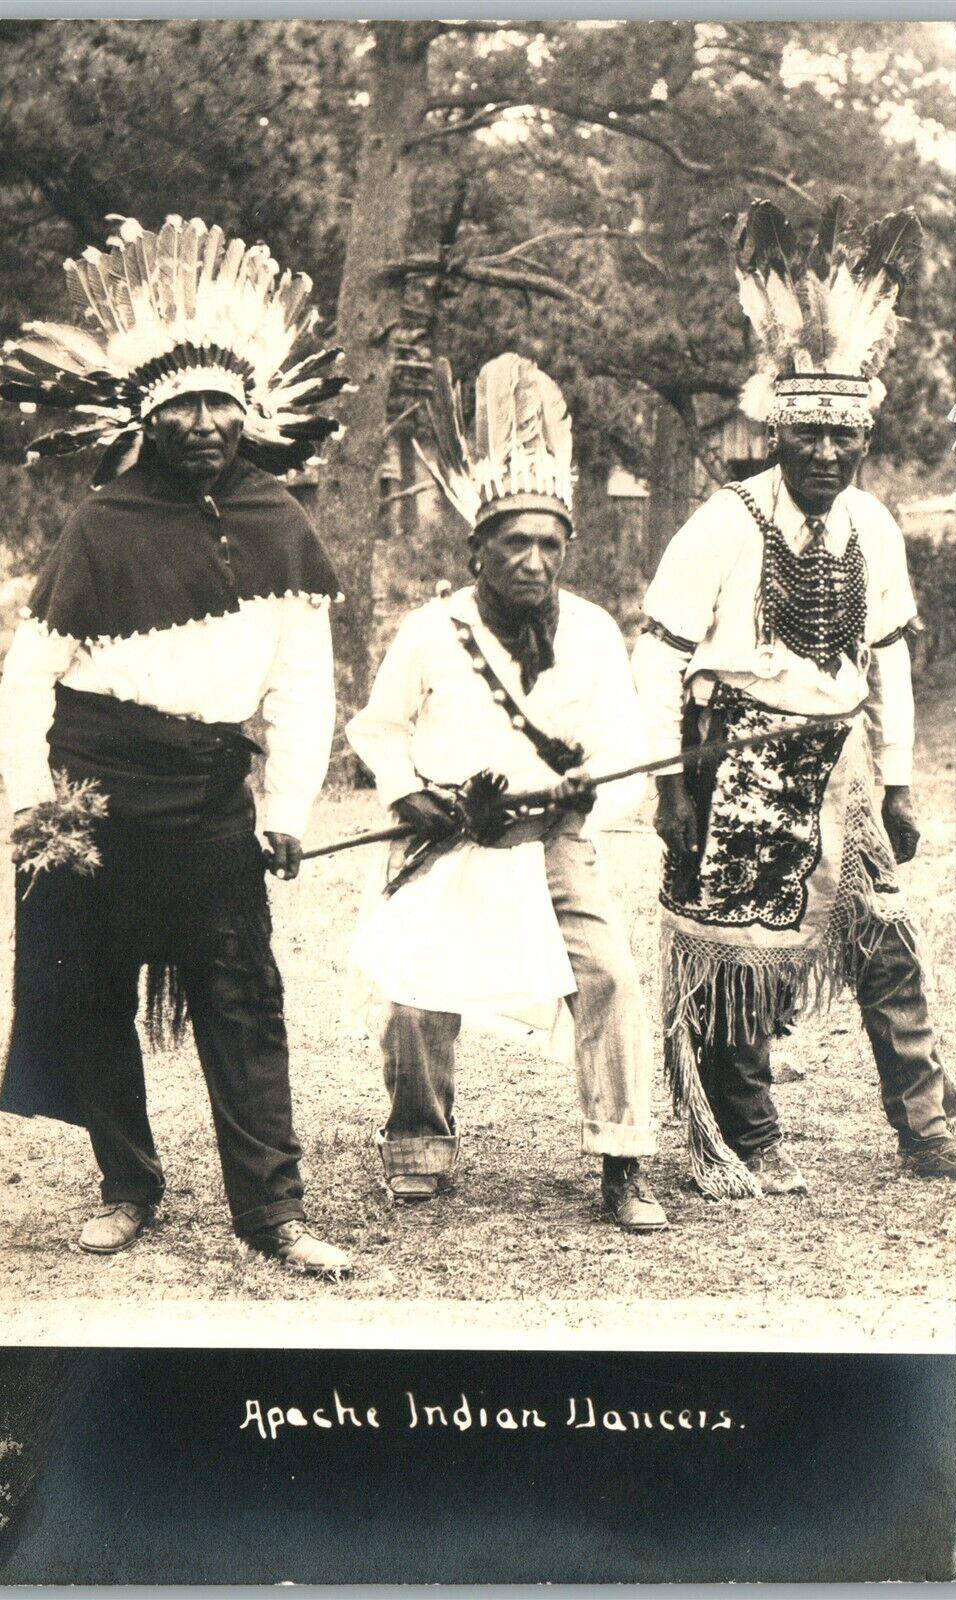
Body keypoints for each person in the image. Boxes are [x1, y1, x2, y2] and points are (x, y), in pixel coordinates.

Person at [0, 215, 352, 1273]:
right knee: (92, 990)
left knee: (242, 995)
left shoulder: (278, 520)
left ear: (249, 411)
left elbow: (299, 683)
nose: (204, 423)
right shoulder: (101, 524)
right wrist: (33, 803)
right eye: (183, 403)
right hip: (91, 794)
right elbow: (28, 679)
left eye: (221, 404)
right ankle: (125, 1182)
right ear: (148, 413)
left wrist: (283, 811)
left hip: (205, 796)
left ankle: (272, 1209)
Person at [632, 197, 956, 1200]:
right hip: (736, 754)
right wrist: (667, 783)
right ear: (777, 429)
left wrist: (895, 782)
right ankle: (750, 1132)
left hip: (844, 763)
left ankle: (926, 1123)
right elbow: (658, 653)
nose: (822, 453)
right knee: (740, 955)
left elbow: (888, 655)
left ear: (862, 435)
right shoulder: (721, 524)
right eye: (805, 434)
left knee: (887, 934)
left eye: (840, 437)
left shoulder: (871, 522)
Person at [345, 353, 667, 1232]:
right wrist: (410, 797)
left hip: (548, 842)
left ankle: (621, 1160)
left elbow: (622, 747)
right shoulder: (431, 631)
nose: (531, 561)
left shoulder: (597, 633)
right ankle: (418, 1145)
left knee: (611, 977)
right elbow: (377, 729)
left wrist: (582, 798)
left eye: (548, 544)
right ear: (474, 548)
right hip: (448, 835)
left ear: (567, 549)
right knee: (415, 992)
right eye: (512, 543)